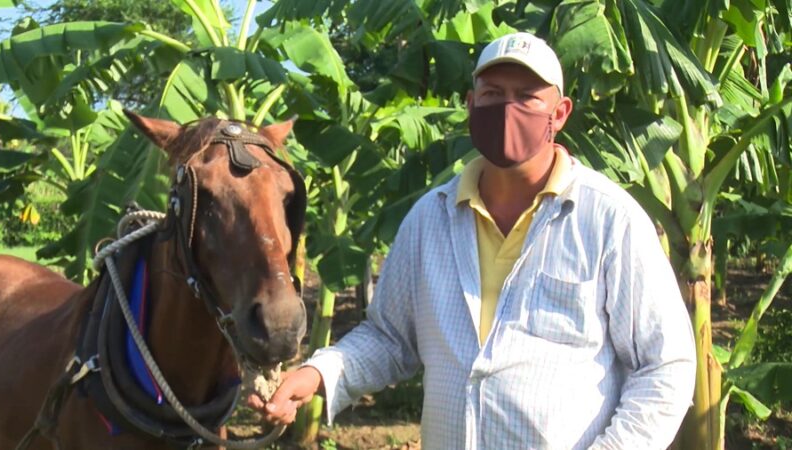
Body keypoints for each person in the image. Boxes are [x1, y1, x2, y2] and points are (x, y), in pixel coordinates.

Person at [249, 32, 696, 449]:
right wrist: (317, 374)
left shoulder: (607, 219)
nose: (508, 108)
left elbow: (665, 366)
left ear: (559, 114)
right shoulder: (431, 218)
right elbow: (390, 338)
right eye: (493, 95)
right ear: (470, 104)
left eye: (527, 97)